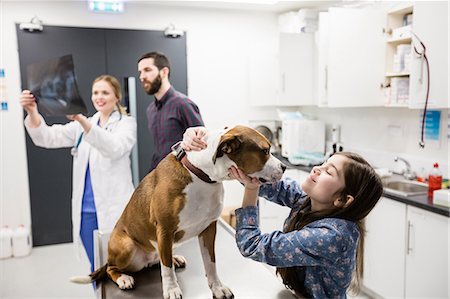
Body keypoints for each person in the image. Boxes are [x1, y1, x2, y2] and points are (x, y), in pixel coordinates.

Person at [181, 127, 383, 299]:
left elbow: (252, 245)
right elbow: (273, 186)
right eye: (323, 163)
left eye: (329, 172)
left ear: (342, 200)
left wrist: (251, 189)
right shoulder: (309, 201)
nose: (316, 169)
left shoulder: (332, 237)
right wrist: (203, 135)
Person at [20, 75, 137, 273]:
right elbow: (47, 138)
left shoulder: (126, 124)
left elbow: (114, 148)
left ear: (116, 97)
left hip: (116, 209)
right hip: (86, 212)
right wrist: (32, 112)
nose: (99, 97)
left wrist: (83, 121)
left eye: (105, 92)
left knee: (120, 265)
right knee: (97, 265)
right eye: (95, 92)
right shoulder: (81, 127)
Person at [137, 51, 204, 172]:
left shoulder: (183, 104)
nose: (142, 76)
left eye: (147, 70)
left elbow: (202, 143)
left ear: (164, 72)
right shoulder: (151, 109)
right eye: (140, 72)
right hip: (161, 174)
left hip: (184, 178)